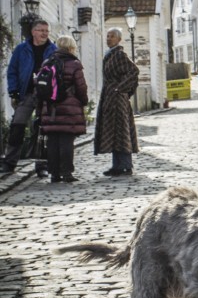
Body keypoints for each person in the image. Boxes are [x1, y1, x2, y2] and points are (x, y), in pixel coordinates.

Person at [1, 18, 57, 177]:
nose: (44, 34)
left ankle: (42, 166)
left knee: (41, 130)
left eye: (46, 31)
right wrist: (13, 91)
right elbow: (12, 71)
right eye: (41, 30)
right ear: (33, 32)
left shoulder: (53, 50)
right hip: (26, 93)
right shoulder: (21, 49)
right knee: (17, 126)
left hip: (45, 96)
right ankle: (10, 163)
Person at [38, 35, 89, 184]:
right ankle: (67, 172)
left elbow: (41, 87)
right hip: (69, 107)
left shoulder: (47, 62)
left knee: (53, 141)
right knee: (66, 141)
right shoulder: (74, 64)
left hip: (50, 108)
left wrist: (41, 108)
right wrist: (83, 101)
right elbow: (81, 87)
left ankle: (54, 174)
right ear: (71, 47)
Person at [94, 27, 139, 177]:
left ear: (119, 39)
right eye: (107, 36)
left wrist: (120, 89)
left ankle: (125, 165)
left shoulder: (119, 55)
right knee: (113, 131)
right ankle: (117, 165)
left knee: (121, 130)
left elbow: (133, 71)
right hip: (110, 97)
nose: (108, 38)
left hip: (117, 99)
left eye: (111, 36)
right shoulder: (110, 54)